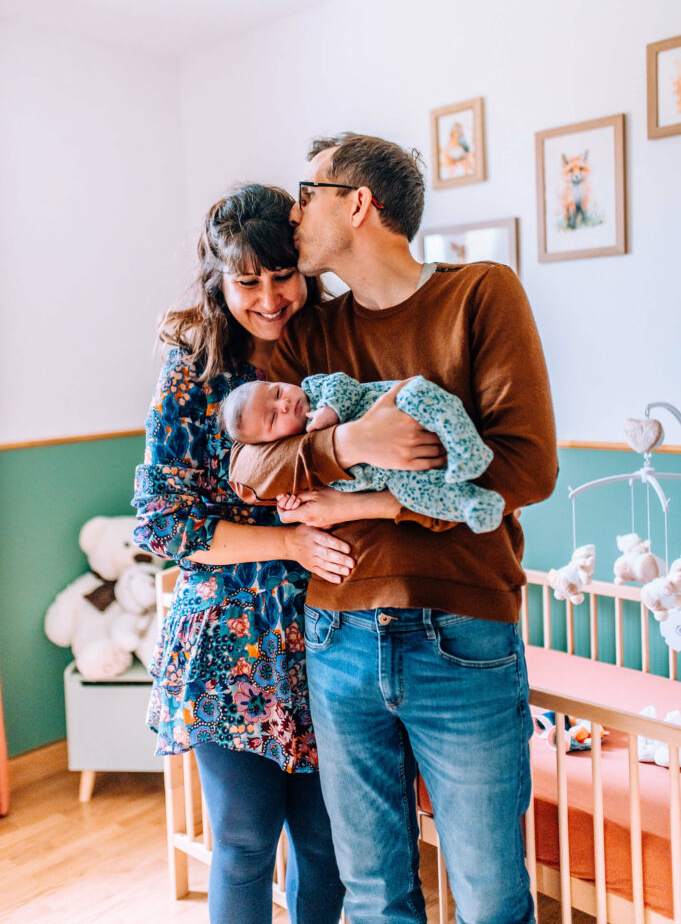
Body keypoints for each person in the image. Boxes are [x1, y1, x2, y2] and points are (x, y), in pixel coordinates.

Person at [229, 135, 559, 924]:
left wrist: (367, 505)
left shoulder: (480, 294)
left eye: (306, 195)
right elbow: (250, 471)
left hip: (462, 629)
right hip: (336, 634)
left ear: (358, 203)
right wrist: (350, 444)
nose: (293, 213)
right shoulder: (309, 334)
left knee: (489, 897)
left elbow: (525, 469)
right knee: (374, 894)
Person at [132, 184, 361, 924]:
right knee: (242, 840)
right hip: (229, 638)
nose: (268, 299)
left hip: (332, 631)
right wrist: (289, 542)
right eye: (247, 282)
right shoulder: (192, 370)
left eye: (282, 276)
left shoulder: (333, 347)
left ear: (305, 268)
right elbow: (164, 523)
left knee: (327, 844)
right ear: (219, 281)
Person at [222, 372, 505, 532]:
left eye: (276, 392)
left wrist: (331, 410)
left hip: (403, 407)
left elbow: (343, 383)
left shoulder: (314, 389)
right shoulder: (299, 454)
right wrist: (295, 503)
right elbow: (327, 495)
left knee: (418, 393)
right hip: (400, 472)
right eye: (273, 418)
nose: (283, 404)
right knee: (412, 494)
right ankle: (471, 504)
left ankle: (468, 450)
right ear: (272, 444)